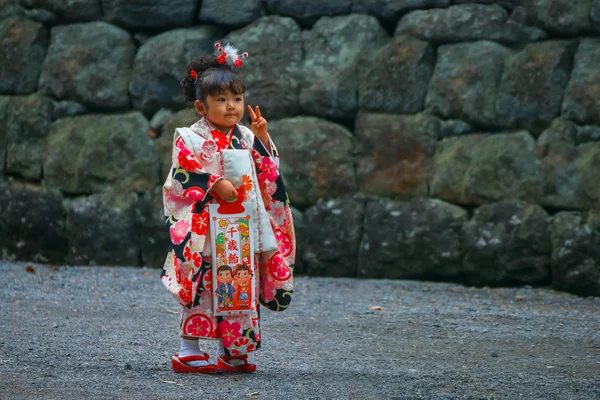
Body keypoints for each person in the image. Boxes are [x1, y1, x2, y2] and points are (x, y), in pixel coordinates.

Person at [161, 43, 296, 374]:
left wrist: (263, 139)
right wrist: (210, 183)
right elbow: (181, 175)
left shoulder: (248, 136)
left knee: (239, 283)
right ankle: (188, 348)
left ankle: (233, 349)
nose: (231, 106)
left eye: (236, 98)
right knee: (204, 286)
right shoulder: (189, 138)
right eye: (220, 100)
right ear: (200, 107)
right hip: (206, 229)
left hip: (242, 227)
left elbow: (268, 175)